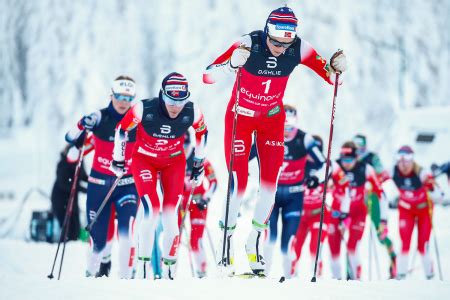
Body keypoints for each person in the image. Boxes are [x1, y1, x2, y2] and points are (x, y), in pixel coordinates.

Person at [203, 5, 346, 275]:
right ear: (267, 33)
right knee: (239, 182)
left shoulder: (298, 47)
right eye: (276, 43)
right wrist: (232, 64)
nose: (281, 49)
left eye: (286, 44)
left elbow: (330, 77)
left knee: (270, 182)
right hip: (240, 118)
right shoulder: (249, 43)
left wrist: (337, 69)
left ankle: (254, 241)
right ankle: (227, 242)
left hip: (271, 119)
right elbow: (207, 76)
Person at [109, 72, 208, 280]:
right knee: (151, 210)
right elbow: (121, 130)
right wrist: (118, 159)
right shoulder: (144, 108)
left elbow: (203, 133)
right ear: (162, 95)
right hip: (145, 160)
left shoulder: (193, 111)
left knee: (172, 215)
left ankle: (169, 271)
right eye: (171, 99)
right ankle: (144, 269)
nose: (175, 106)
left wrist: (199, 163)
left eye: (180, 100)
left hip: (174, 162)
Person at [65, 75, 138, 279]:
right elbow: (71, 140)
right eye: (119, 96)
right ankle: (94, 274)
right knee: (98, 240)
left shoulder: (138, 121)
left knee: (126, 234)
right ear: (112, 95)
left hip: (127, 186)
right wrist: (81, 126)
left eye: (128, 97)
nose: (124, 102)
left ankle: (126, 281)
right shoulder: (99, 117)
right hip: (99, 185)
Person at [262, 105, 325, 278]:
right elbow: (248, 156)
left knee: (288, 242)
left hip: (294, 196)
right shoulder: (268, 134)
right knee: (269, 238)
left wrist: (316, 178)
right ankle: (263, 275)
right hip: (272, 195)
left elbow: (325, 165)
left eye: (291, 125)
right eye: (284, 125)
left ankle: (290, 279)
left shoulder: (305, 139)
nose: (287, 131)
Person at [328, 142, 388, 280]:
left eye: (349, 160)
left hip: (357, 213)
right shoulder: (335, 166)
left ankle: (356, 281)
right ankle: (336, 282)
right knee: (333, 248)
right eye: (344, 160)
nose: (346, 163)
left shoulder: (365, 169)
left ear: (356, 158)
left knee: (352, 247)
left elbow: (381, 195)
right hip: (337, 213)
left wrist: (383, 220)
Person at [353, 134, 397, 278]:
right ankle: (352, 270)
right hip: (356, 197)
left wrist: (372, 179)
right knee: (352, 233)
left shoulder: (372, 157)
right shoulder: (350, 158)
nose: (358, 149)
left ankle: (393, 260)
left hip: (373, 197)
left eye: (360, 145)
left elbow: (384, 174)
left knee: (380, 233)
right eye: (355, 145)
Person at [393, 146, 438, 280]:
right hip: (406, 210)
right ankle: (400, 276)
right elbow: (376, 178)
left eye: (407, 159)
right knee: (405, 242)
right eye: (400, 159)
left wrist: (431, 185)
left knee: (422, 244)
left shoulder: (421, 172)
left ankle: (430, 275)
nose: (404, 164)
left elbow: (438, 193)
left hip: (424, 211)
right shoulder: (393, 171)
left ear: (412, 160)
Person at [179, 129, 218, 278]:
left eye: (186, 145)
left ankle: (202, 273)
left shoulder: (199, 157)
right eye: (180, 145)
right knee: (173, 236)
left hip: (197, 202)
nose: (184, 149)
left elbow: (214, 182)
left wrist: (206, 199)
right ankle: (168, 272)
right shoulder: (172, 155)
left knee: (196, 240)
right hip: (179, 203)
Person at [293, 135, 328, 277]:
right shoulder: (300, 164)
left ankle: (317, 276)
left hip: (319, 214)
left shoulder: (325, 167)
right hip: (301, 214)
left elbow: (340, 184)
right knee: (295, 246)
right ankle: (291, 276)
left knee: (315, 246)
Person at [50, 140, 91, 241]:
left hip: (72, 199)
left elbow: (84, 177)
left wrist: (94, 183)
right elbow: (64, 184)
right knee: (67, 226)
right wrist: (83, 189)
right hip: (61, 199)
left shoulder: (79, 163)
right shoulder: (62, 164)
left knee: (75, 225)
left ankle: (74, 241)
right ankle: (67, 241)